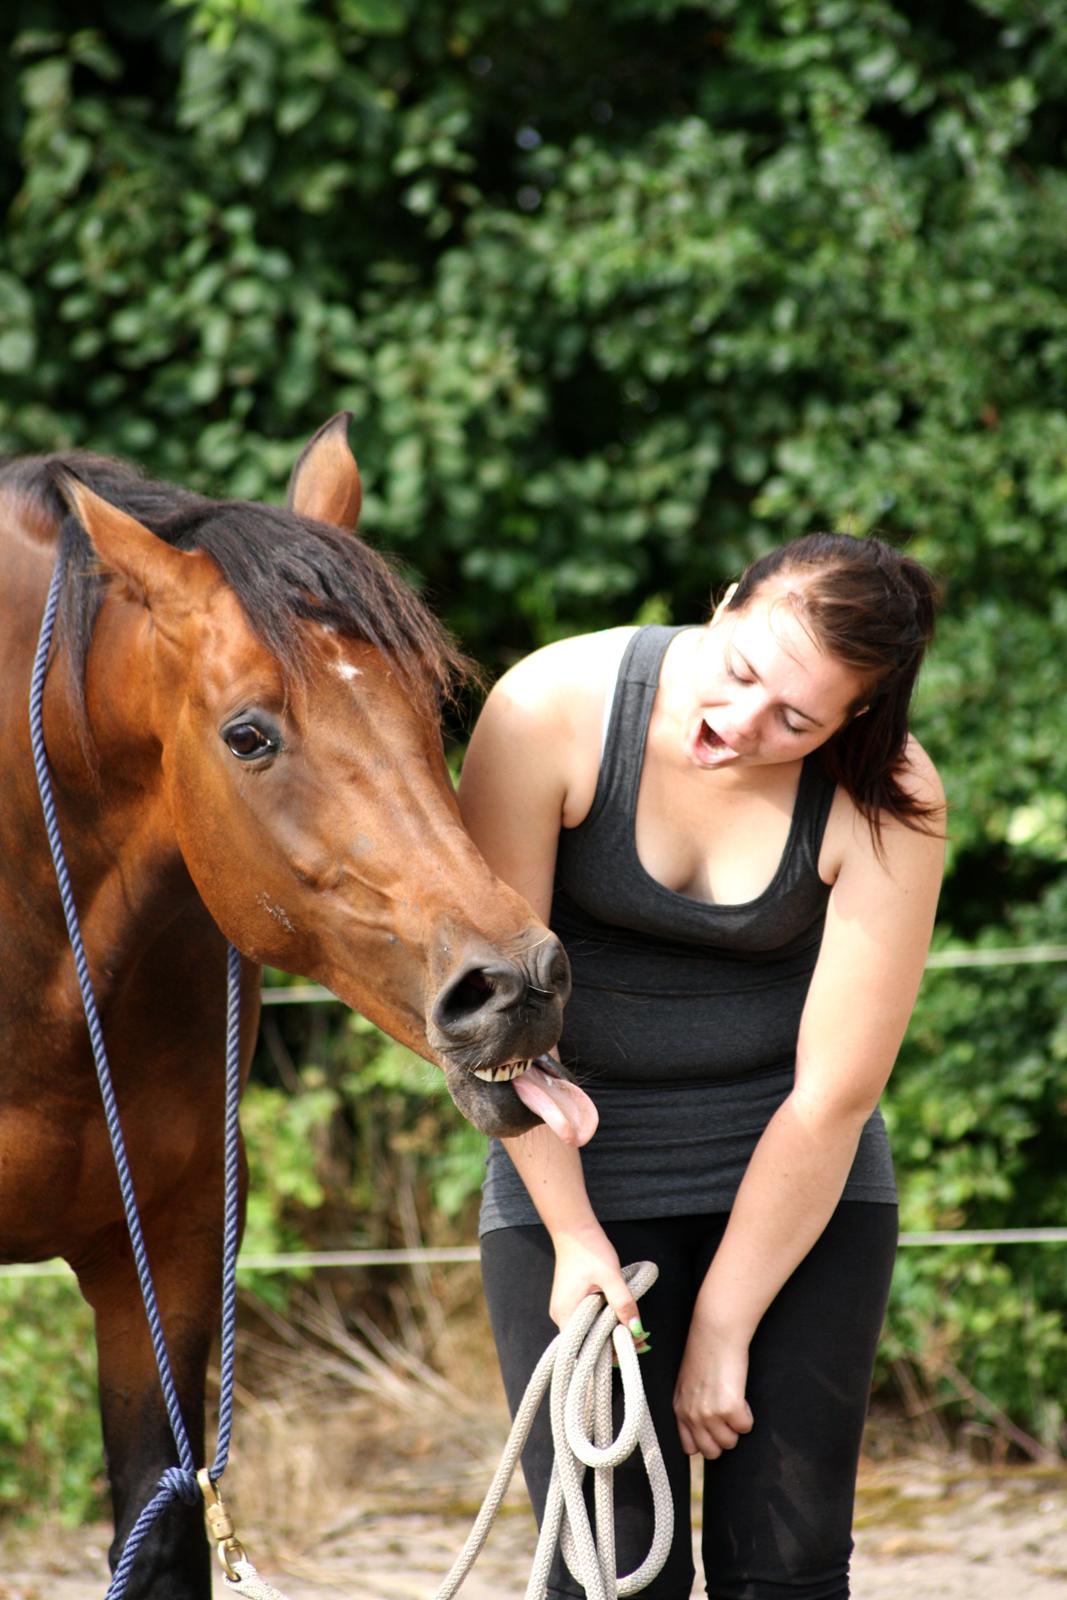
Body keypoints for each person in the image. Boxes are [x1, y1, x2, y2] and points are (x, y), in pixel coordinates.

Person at [457, 532, 946, 1600]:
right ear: (722, 603)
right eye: (740, 673)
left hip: (796, 1196)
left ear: (852, 720)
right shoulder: (549, 709)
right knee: (607, 1576)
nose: (740, 723)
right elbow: (492, 1028)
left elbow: (835, 1092)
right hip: (573, 1181)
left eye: (796, 721)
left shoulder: (888, 795)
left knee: (787, 1571)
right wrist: (575, 1239)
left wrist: (722, 1327)